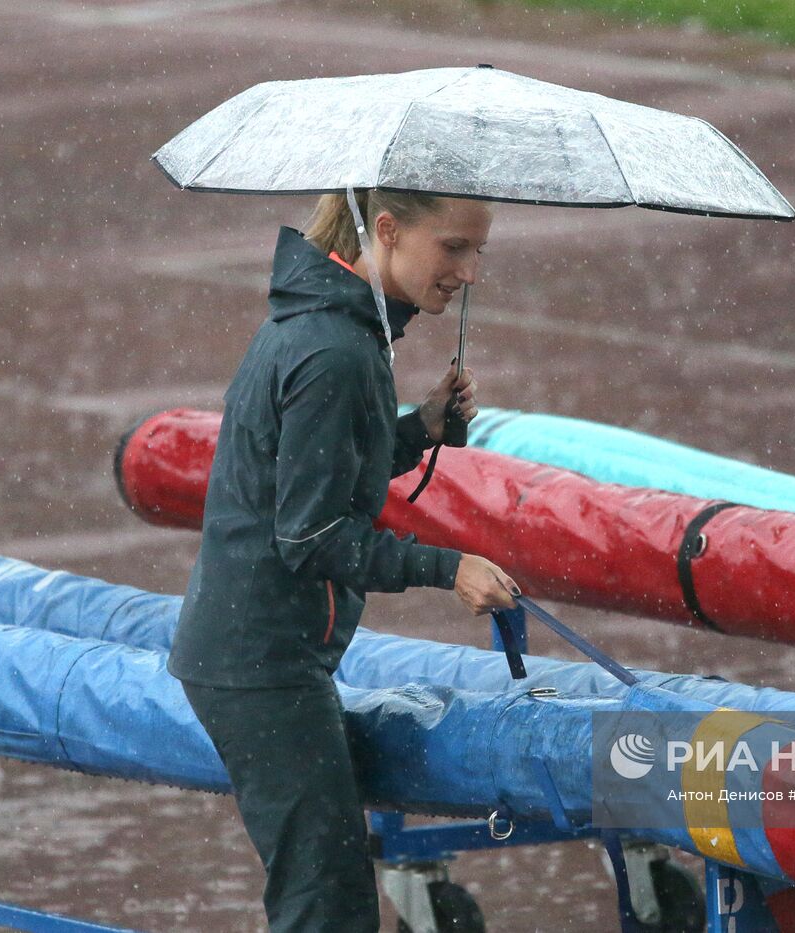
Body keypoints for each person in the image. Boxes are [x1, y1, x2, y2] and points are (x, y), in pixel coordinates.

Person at [167, 189, 519, 932]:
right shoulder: (336, 350)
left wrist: (420, 426)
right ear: (386, 230)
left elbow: (324, 474)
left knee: (326, 895)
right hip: (261, 663)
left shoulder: (332, 327)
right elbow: (311, 536)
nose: (471, 271)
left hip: (257, 652)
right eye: (454, 246)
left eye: (478, 249)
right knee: (325, 905)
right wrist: (446, 568)